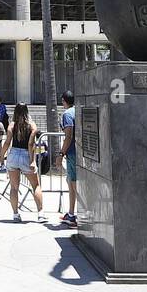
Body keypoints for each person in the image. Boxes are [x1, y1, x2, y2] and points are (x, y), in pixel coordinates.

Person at [6, 103, 45, 223]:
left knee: (14, 187)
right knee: (35, 185)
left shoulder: (12, 125)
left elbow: (7, 142)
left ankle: (16, 214)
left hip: (13, 155)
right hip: (25, 156)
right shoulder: (32, 125)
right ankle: (40, 214)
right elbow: (30, 144)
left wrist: (1, 156)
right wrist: (32, 160)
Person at [59, 91, 79, 228]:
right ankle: (71, 213)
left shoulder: (67, 114)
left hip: (72, 152)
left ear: (64, 101)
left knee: (73, 184)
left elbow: (68, 136)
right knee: (72, 182)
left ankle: (73, 215)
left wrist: (61, 153)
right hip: (81, 151)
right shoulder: (78, 111)